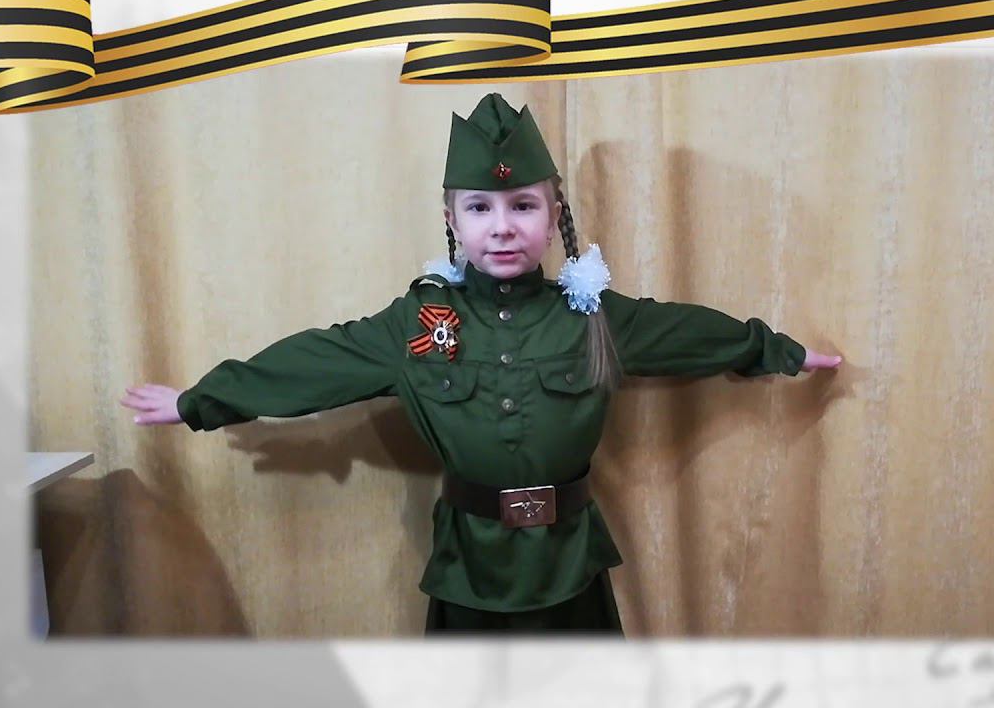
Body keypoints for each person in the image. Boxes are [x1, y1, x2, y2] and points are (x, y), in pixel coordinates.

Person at [120, 93, 843, 636]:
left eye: (522, 206)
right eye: (479, 208)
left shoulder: (594, 317)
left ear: (553, 217)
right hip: (471, 569)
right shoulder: (418, 324)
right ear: (452, 220)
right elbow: (315, 361)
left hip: (569, 564)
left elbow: (691, 332)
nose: (502, 227)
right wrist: (199, 400)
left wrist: (780, 351)